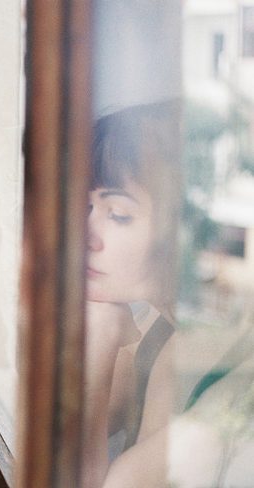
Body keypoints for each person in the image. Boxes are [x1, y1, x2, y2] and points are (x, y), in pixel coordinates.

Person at [81, 101, 182, 487]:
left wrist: (102, 337)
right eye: (86, 206)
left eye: (118, 214)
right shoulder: (154, 332)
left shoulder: (220, 368)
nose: (87, 235)